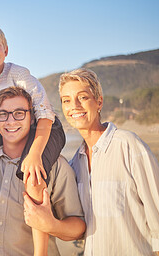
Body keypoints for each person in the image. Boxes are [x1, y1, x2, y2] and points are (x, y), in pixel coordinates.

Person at [0, 24, 66, 255]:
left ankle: (40, 251)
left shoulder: (19, 74)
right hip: (8, 125)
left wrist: (35, 153)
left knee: (33, 175)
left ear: (6, 49)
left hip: (44, 127)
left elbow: (45, 114)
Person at [0, 86, 85, 256]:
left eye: (19, 113)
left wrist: (51, 225)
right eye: (3, 114)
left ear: (32, 118)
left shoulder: (57, 166)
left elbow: (78, 228)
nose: (11, 121)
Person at [59, 68, 159, 256]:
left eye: (82, 97)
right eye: (66, 100)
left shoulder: (129, 146)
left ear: (99, 102)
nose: (74, 106)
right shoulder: (73, 165)